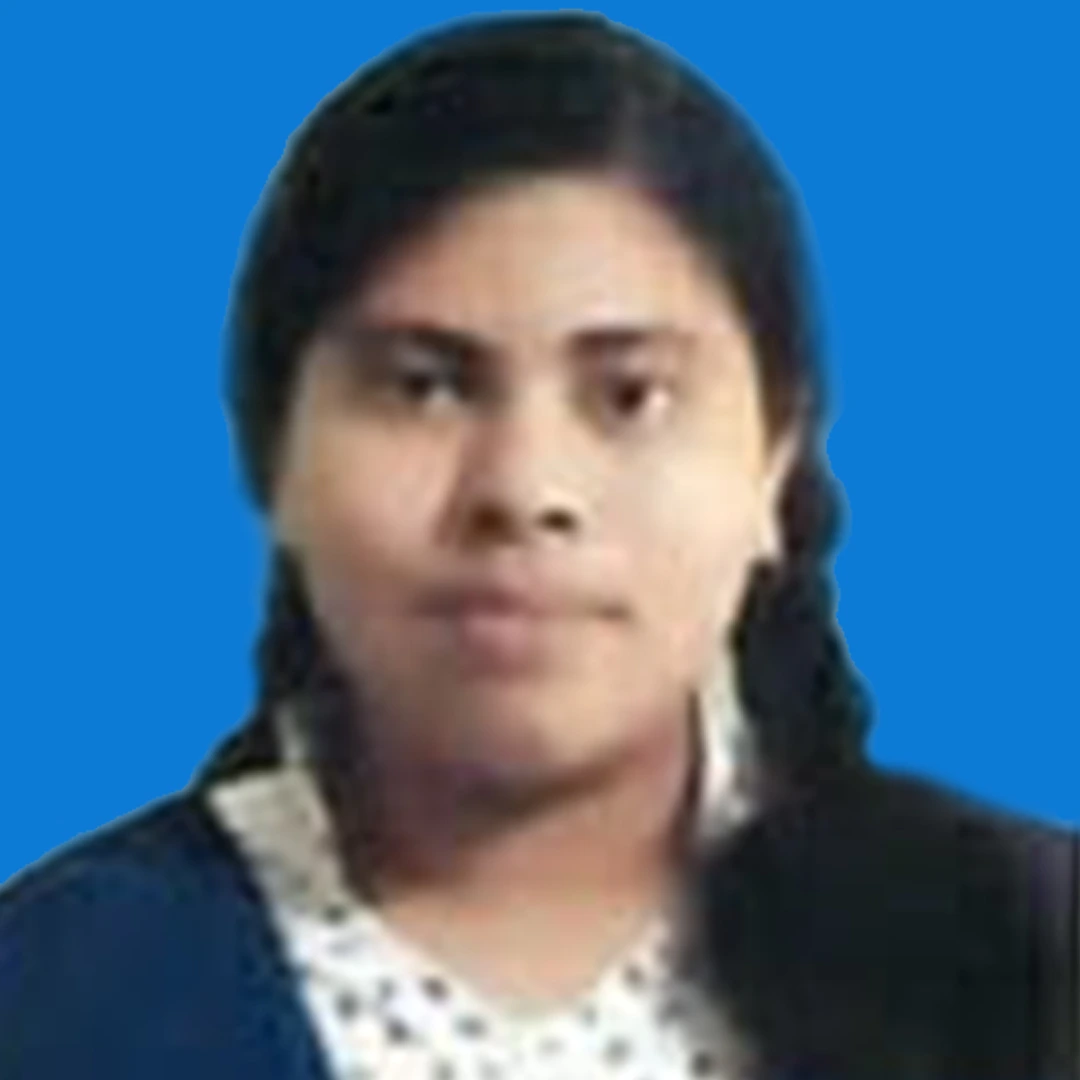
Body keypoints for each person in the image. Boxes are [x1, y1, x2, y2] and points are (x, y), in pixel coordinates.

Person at [1, 11, 1075, 1079]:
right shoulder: (52, 990)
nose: (524, 489)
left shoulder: (1031, 957)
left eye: (630, 395)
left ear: (773, 466)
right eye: (423, 387)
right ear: (271, 452)